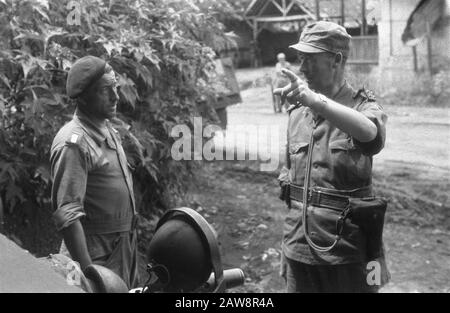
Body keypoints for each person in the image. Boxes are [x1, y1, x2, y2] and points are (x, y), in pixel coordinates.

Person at [274, 21, 389, 293]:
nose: (302, 69)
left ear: (336, 60)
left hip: (347, 253)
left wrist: (317, 102)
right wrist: (286, 249)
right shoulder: (297, 115)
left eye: (310, 59)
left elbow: (371, 134)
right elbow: (290, 188)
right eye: (300, 59)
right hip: (298, 248)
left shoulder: (363, 107)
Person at [50, 56, 140, 289]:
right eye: (105, 90)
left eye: (116, 88)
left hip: (120, 251)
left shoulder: (107, 129)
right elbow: (68, 215)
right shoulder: (74, 143)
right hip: (92, 259)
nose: (115, 97)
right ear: (84, 97)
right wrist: (90, 274)